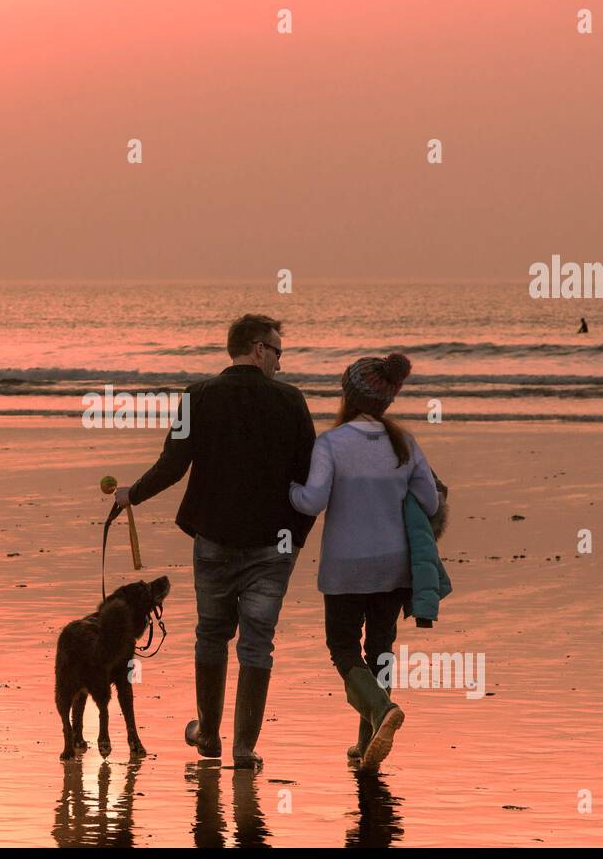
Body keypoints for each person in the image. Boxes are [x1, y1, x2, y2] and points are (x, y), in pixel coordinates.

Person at [115, 314, 315, 769]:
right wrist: (297, 537)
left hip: (214, 539)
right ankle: (244, 748)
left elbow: (172, 465)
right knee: (257, 644)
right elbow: (310, 477)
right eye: (278, 352)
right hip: (274, 544)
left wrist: (133, 495)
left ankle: (208, 734)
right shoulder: (291, 401)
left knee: (211, 634)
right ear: (259, 348)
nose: (281, 363)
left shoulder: (197, 397)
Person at [289, 353, 438, 773]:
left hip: (344, 569)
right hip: (393, 567)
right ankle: (368, 742)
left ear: (348, 394)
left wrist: (291, 491)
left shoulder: (331, 443)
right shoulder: (404, 443)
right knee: (380, 650)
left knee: (343, 649)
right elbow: (430, 501)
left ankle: (381, 710)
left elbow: (312, 501)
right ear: (387, 401)